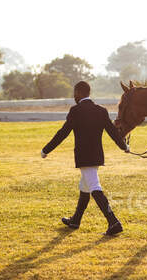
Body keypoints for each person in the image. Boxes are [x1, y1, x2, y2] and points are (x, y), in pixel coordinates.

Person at [41, 81, 129, 235]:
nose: (74, 96)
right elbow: (113, 132)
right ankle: (75, 220)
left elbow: (63, 133)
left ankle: (113, 222)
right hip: (96, 156)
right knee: (85, 187)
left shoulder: (76, 111)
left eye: (75, 93)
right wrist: (124, 147)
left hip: (84, 156)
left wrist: (46, 149)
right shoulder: (101, 111)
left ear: (79, 93)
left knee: (94, 187)